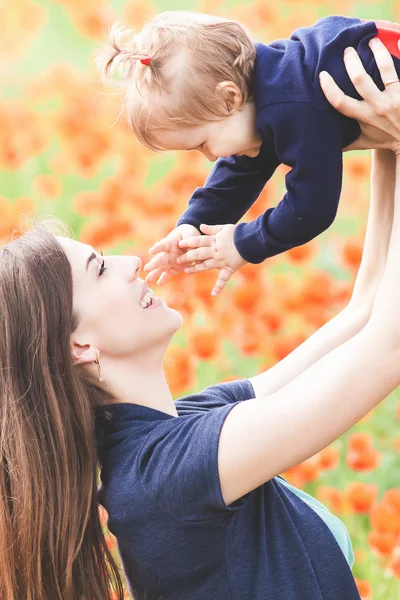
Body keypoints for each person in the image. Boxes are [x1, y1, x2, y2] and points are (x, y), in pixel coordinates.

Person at [1, 44, 400, 600]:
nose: (130, 261)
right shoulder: (165, 477)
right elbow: (388, 349)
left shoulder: (181, 427)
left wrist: (386, 142)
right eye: (99, 268)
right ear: (79, 346)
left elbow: (365, 315)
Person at [97, 12, 400, 296]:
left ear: (229, 96)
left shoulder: (294, 106)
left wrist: (242, 244)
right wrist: (193, 224)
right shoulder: (273, 85)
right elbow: (241, 169)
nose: (211, 157)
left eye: (202, 143)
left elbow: (311, 208)